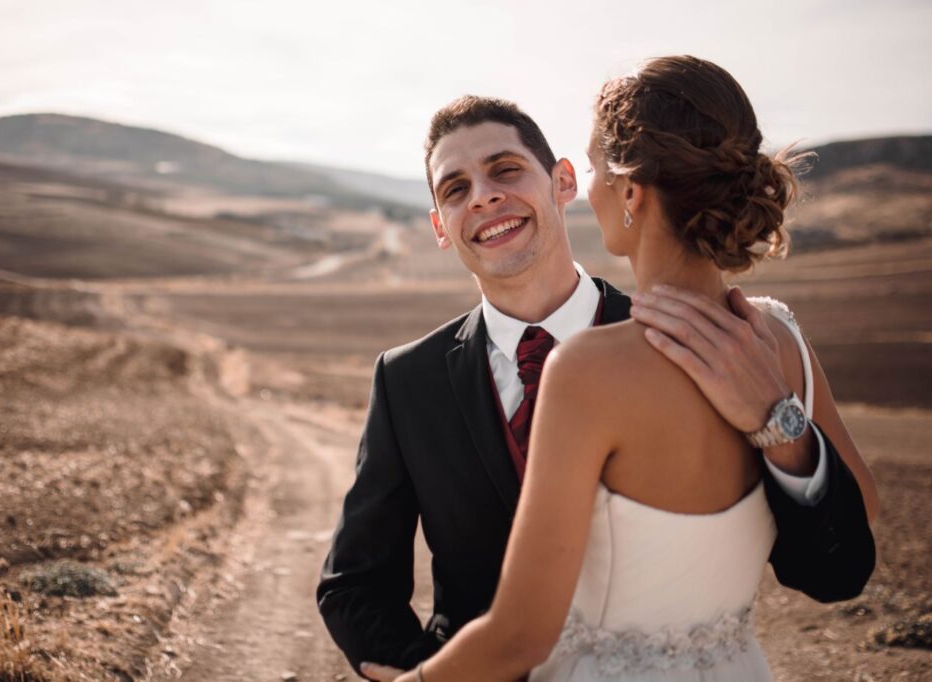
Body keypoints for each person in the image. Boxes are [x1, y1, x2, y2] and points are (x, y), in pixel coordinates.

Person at [318, 61, 877, 681]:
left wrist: (785, 429)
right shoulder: (406, 382)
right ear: (440, 229)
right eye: (455, 190)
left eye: (505, 170)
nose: (482, 196)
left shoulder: (676, 352)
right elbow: (354, 586)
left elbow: (836, 564)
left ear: (565, 182)